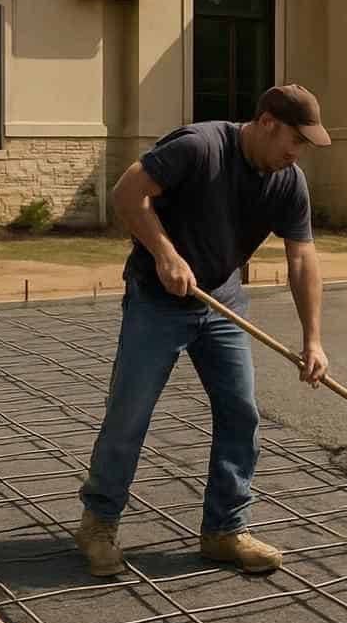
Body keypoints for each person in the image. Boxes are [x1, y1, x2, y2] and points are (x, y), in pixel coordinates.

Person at [75, 84, 331, 576]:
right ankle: (99, 523)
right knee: (131, 412)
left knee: (241, 414)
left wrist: (312, 338)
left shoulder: (287, 181)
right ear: (268, 122)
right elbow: (127, 194)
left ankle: (224, 529)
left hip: (222, 304)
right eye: (294, 141)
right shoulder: (199, 146)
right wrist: (166, 255)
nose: (296, 154)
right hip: (157, 300)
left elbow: (302, 257)